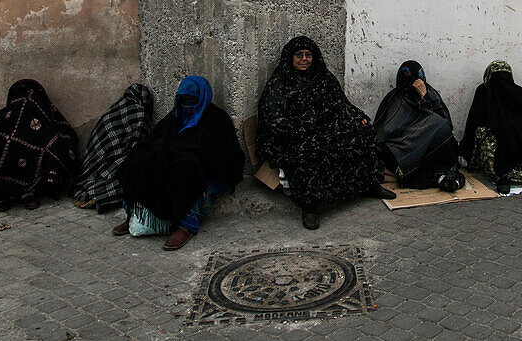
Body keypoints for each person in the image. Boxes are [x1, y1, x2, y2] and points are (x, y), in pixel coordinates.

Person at [256, 36, 395, 230]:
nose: (304, 59)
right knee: (310, 150)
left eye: (308, 55)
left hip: (325, 128)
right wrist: (304, 129)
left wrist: (358, 117)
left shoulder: (322, 77)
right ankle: (310, 207)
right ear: (290, 58)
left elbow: (341, 103)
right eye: (299, 55)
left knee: (361, 134)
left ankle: (368, 185)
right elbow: (273, 119)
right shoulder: (280, 84)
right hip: (294, 135)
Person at [114, 76, 243, 251]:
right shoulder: (175, 116)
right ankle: (133, 213)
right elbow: (158, 140)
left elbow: (219, 156)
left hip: (209, 171)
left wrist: (184, 153)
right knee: (138, 161)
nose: (187, 105)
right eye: (183, 100)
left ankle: (186, 225)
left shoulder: (217, 119)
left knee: (188, 168)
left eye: (192, 101)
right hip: (177, 160)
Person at [0, 79, 80, 216]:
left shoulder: (44, 116)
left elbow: (65, 138)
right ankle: (2, 194)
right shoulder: (4, 116)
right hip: (8, 161)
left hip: (32, 162)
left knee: (49, 151)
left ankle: (27, 192)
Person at [460, 60, 522, 195]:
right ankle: (505, 177)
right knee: (491, 137)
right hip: (499, 135)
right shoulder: (485, 92)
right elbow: (476, 120)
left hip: (519, 134)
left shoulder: (514, 91)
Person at [374, 60, 464, 191]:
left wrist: (425, 96)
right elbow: (383, 132)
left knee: (440, 127)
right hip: (402, 148)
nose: (411, 84)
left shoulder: (430, 94)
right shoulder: (395, 98)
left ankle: (441, 176)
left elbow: (445, 124)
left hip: (427, 147)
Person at [71, 83, 154, 212]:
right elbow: (136, 148)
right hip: (111, 162)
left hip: (92, 166)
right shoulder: (140, 116)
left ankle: (93, 190)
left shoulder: (113, 110)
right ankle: (99, 196)